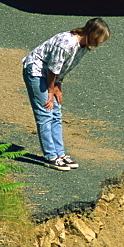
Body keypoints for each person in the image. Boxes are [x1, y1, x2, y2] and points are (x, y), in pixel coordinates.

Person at [22, 18, 110, 170]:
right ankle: (51, 157)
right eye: (99, 39)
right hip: (36, 72)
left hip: (51, 76)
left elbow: (64, 68)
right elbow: (52, 68)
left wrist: (58, 86)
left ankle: (60, 154)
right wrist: (50, 91)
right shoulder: (67, 43)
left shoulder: (83, 46)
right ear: (92, 33)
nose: (99, 44)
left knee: (56, 114)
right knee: (46, 113)